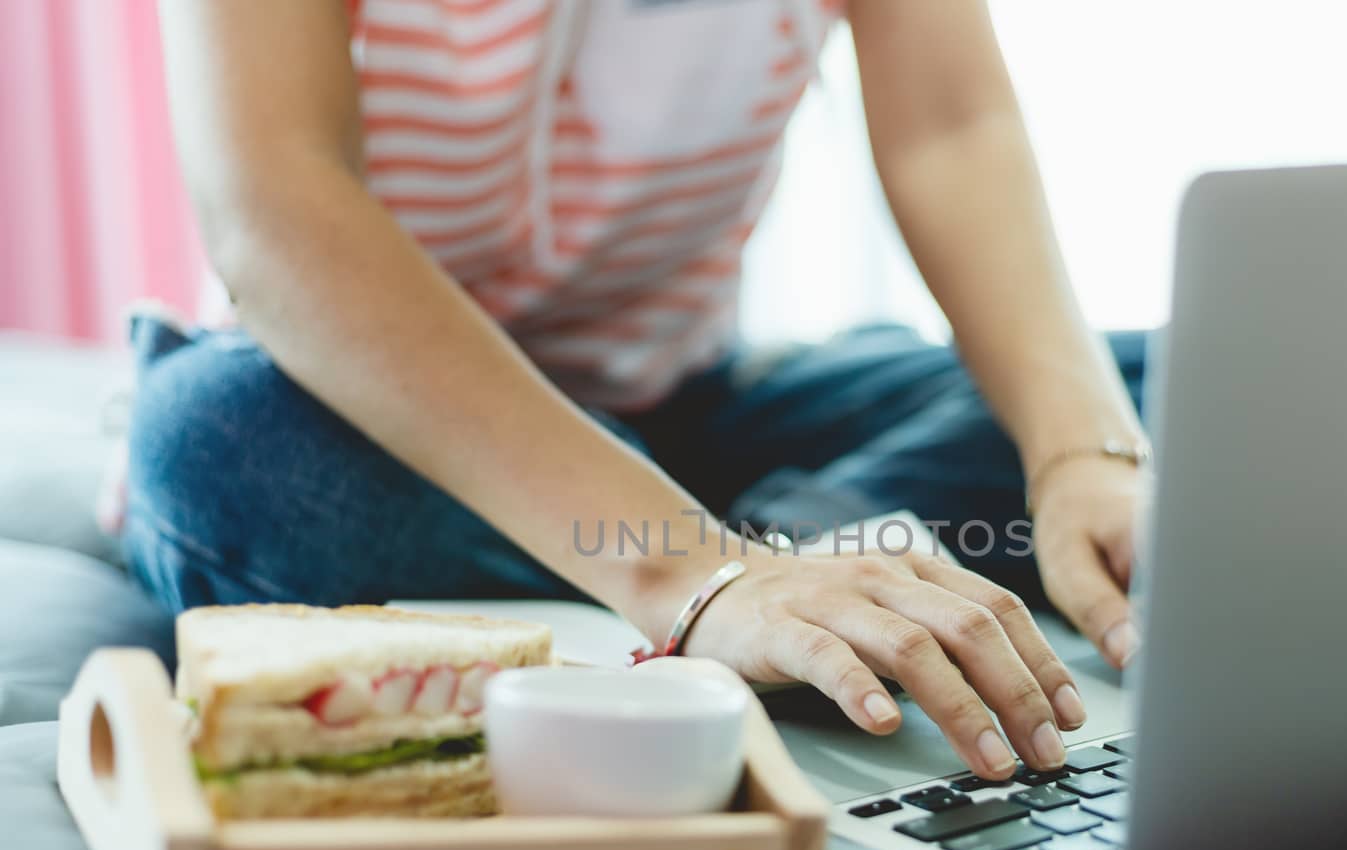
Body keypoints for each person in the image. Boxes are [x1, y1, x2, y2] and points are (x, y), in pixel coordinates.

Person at [129, 0, 1150, 781]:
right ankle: (755, 573)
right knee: (220, 444)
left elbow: (950, 130)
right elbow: (276, 210)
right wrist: (685, 570)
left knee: (1164, 380)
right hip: (387, 423)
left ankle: (778, 563)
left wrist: (1082, 454)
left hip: (689, 406)